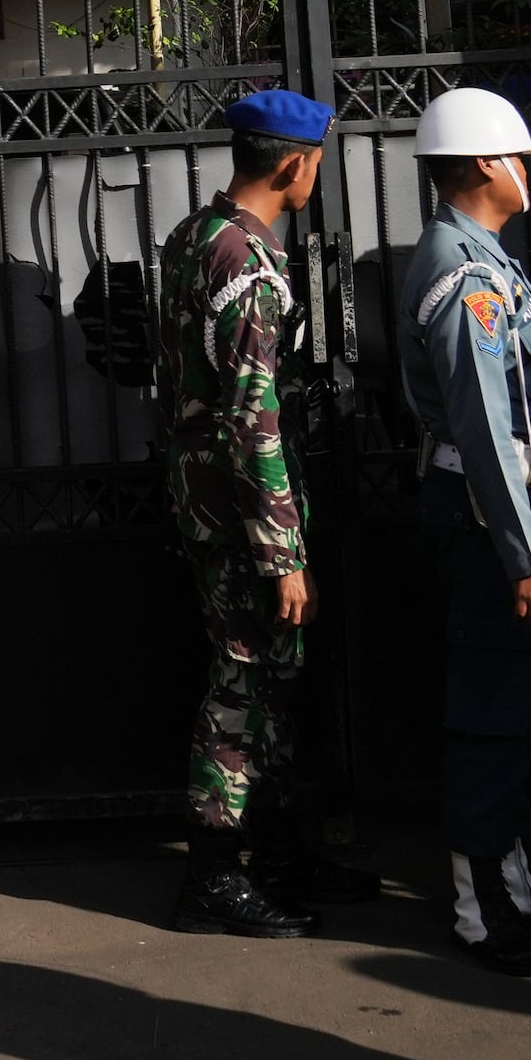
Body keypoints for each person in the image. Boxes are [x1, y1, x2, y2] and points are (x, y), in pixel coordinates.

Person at [152, 88, 372, 936]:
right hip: (243, 512)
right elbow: (253, 418)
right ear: (294, 165)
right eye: (316, 162)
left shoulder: (196, 236)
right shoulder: (247, 265)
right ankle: (212, 875)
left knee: (271, 676)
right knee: (244, 681)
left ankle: (276, 850)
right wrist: (284, 554)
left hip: (209, 499)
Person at [395, 87, 531, 978]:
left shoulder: (478, 255)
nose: (527, 173)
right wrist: (527, 558)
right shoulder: (467, 274)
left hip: (511, 510)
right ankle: (481, 908)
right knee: (491, 710)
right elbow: (484, 426)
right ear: (486, 163)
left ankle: (513, 880)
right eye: (520, 158)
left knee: (516, 703)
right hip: (495, 518)